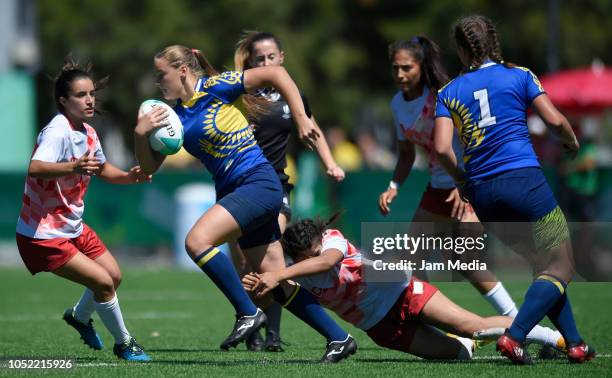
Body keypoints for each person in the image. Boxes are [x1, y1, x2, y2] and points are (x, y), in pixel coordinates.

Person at [134, 45, 355, 362]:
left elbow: (277, 74)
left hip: (259, 183)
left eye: (161, 75)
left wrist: (302, 118)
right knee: (275, 281)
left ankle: (246, 312)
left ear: (182, 71)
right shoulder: (176, 118)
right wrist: (141, 134)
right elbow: (150, 167)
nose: (158, 82)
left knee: (197, 241)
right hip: (235, 192)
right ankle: (339, 338)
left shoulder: (215, 86)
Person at [433, 15, 595, 364]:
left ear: (462, 50)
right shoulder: (519, 75)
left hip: (483, 193)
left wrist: (462, 180)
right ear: (493, 42)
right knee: (562, 265)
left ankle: (576, 343)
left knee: (545, 267)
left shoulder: (447, 92)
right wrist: (571, 141)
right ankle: (515, 336)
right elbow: (554, 120)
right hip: (526, 184)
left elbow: (442, 148)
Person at [242, 214, 566, 361]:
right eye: (304, 257)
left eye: (313, 250)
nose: (312, 256)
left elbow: (326, 262)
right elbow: (272, 297)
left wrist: (279, 275)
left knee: (476, 327)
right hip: (379, 326)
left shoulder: (331, 240)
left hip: (404, 292)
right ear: (296, 256)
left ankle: (556, 339)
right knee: (458, 354)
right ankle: (461, 342)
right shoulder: (294, 274)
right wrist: (256, 287)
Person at [15, 57, 151, 361]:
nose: (89, 100)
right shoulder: (57, 130)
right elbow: (35, 167)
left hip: (71, 227)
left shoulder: (88, 132)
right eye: (80, 95)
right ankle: (124, 343)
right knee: (102, 282)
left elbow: (101, 169)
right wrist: (73, 166)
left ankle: (78, 316)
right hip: (43, 234)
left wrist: (130, 176)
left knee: (113, 276)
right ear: (63, 101)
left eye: (91, 94)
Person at [378, 36, 519, 318]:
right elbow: (406, 154)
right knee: (411, 262)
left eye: (407, 67)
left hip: (470, 184)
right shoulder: (397, 103)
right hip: (438, 189)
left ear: (422, 66)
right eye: (395, 68)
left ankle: (520, 324)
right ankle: (442, 324)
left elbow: (473, 138)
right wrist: (393, 185)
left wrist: (462, 181)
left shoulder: (444, 94)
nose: (400, 74)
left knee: (465, 261)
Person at [231, 31, 346, 351]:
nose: (266, 63)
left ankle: (273, 334)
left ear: (281, 58)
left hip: (276, 186)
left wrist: (330, 163)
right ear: (250, 63)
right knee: (244, 265)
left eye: (271, 57)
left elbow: (311, 129)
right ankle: (250, 324)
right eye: (259, 59)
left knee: (273, 258)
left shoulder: (292, 94)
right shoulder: (241, 94)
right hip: (238, 185)